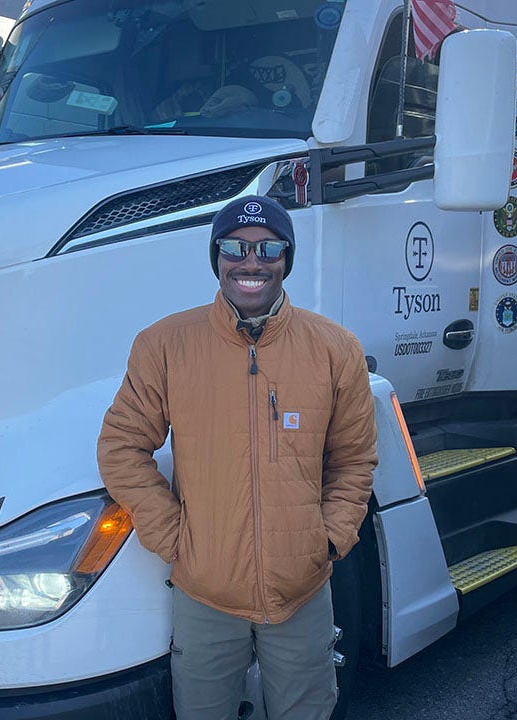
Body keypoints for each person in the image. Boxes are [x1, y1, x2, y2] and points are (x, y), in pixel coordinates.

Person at [97, 195, 377, 720]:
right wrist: (175, 538)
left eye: (269, 248)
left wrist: (330, 538)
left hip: (301, 592)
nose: (252, 262)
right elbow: (121, 447)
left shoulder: (335, 349)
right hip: (205, 595)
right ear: (216, 256)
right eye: (235, 248)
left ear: (286, 258)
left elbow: (354, 460)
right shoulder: (165, 345)